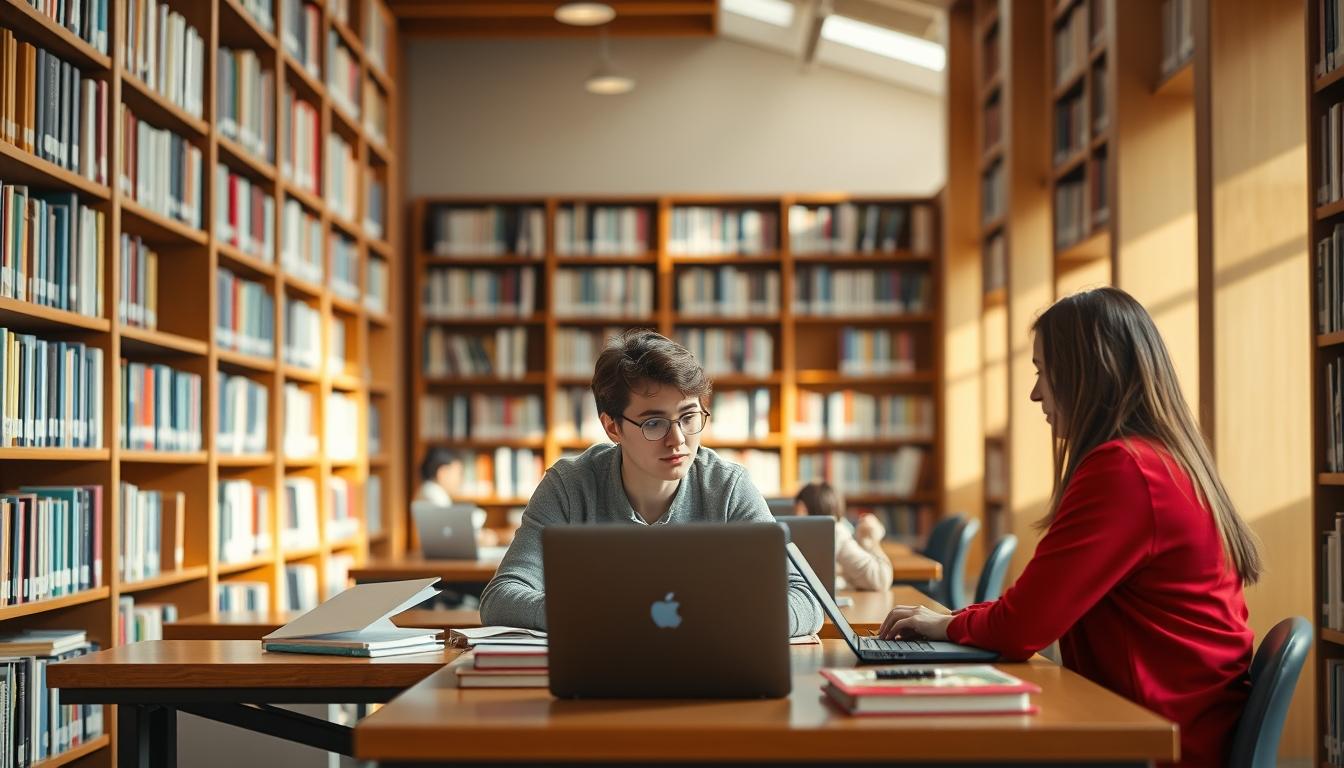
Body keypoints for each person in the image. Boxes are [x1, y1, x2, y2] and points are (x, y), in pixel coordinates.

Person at [878, 287, 1261, 768]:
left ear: (1087, 372)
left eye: (1043, 371)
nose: (1036, 393)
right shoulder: (1162, 460)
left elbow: (1024, 627)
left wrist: (950, 624)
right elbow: (1034, 608)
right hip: (1173, 724)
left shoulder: (1126, 470)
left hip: (1158, 742)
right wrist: (954, 622)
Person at [480, 329, 823, 636]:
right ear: (612, 427)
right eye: (654, 423)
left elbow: (805, 597)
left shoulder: (728, 487)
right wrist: (601, 614)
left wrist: (723, 617)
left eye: (688, 417)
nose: (678, 440)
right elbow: (501, 596)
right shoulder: (569, 485)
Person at [794, 482, 893, 591]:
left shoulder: (836, 533)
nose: (797, 516)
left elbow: (881, 580)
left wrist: (872, 543)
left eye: (803, 510)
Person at [415, 448, 497, 547]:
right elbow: (449, 535)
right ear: (442, 473)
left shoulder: (429, 491)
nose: (460, 480)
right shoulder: (432, 493)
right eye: (458, 473)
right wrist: (479, 539)